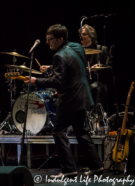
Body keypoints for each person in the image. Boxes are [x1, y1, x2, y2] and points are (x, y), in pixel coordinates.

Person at [25, 24, 103, 177]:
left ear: (60, 39)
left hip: (70, 99)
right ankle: (97, 167)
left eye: (50, 39)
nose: (47, 42)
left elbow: (58, 82)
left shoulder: (58, 56)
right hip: (82, 95)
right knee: (81, 132)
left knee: (58, 131)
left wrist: (36, 81)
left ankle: (69, 170)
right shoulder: (77, 47)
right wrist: (51, 69)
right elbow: (71, 69)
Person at [80, 24, 116, 115]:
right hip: (83, 82)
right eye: (81, 34)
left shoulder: (102, 49)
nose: (81, 36)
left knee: (95, 87)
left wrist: (100, 67)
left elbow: (110, 69)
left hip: (98, 82)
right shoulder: (79, 51)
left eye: (84, 34)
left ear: (91, 36)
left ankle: (96, 116)